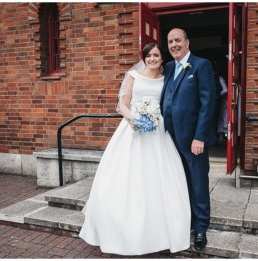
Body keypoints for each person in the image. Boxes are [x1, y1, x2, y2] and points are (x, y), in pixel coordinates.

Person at [79, 43, 192, 255]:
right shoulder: (133, 75)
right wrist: (133, 119)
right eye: (148, 55)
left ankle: (161, 229)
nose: (152, 59)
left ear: (161, 58)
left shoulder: (166, 78)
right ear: (144, 57)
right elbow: (123, 103)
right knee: (128, 176)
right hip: (133, 129)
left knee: (159, 177)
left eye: (156, 55)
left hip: (158, 132)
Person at [160, 28, 217, 251]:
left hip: (193, 140)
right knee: (179, 182)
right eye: (170, 41)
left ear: (187, 42)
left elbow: (208, 104)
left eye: (177, 40)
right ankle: (186, 221)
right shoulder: (168, 67)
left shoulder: (201, 65)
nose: (174, 44)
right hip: (169, 138)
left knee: (198, 183)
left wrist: (200, 136)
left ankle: (201, 227)